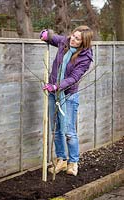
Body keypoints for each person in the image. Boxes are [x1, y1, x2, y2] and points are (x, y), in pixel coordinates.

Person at [40, 25, 93, 176]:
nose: (73, 40)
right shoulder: (65, 41)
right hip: (53, 93)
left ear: (84, 43)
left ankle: (73, 162)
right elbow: (52, 37)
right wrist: (45, 34)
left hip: (68, 95)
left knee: (69, 131)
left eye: (77, 39)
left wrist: (57, 86)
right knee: (55, 129)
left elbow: (74, 78)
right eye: (73, 36)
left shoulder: (85, 57)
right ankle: (61, 160)